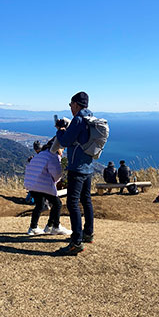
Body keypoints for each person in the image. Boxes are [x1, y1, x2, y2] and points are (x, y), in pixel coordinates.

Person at [54, 91, 104, 255]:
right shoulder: (91, 118)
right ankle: (88, 233)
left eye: (70, 105)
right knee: (86, 200)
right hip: (88, 167)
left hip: (77, 167)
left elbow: (65, 141)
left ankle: (76, 241)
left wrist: (60, 129)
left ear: (76, 104)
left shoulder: (78, 119)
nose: (70, 108)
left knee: (72, 203)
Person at [23, 142, 67, 235]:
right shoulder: (53, 155)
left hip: (32, 184)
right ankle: (54, 226)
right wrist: (54, 181)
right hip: (44, 184)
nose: (63, 151)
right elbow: (56, 173)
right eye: (63, 149)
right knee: (57, 204)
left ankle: (33, 228)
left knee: (39, 205)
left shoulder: (41, 154)